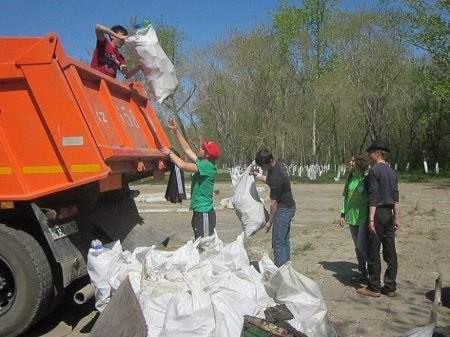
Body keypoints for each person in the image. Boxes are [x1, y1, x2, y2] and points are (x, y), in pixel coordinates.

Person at [160, 118, 221, 239]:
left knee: (205, 244)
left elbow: (182, 165)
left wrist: (170, 154)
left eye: (203, 149)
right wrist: (176, 131)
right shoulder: (203, 162)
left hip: (204, 213)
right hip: (199, 211)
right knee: (200, 244)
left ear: (207, 155)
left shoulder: (206, 166)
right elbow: (187, 149)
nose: (200, 149)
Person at [357, 139, 400, 298]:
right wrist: (397, 217)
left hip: (378, 213)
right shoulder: (392, 172)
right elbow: (396, 197)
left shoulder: (375, 171)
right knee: (390, 250)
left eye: (370, 152)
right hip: (389, 214)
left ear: (377, 153)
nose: (369, 155)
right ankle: (390, 286)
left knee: (373, 250)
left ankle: (374, 286)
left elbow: (374, 196)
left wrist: (371, 219)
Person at [252, 149, 296, 267]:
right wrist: (257, 175)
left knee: (278, 243)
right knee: (284, 240)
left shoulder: (277, 176)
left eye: (263, 166)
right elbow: (270, 181)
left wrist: (269, 222)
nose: (263, 168)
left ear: (270, 161)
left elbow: (274, 204)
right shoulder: (277, 166)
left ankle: (281, 272)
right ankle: (286, 268)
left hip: (283, 209)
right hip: (288, 207)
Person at [339, 154, 369, 282]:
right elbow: (345, 196)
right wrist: (342, 214)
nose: (350, 163)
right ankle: (362, 271)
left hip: (363, 217)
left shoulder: (366, 178)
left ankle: (373, 271)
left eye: (353, 161)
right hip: (351, 217)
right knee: (357, 246)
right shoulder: (350, 177)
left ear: (359, 163)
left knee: (362, 245)